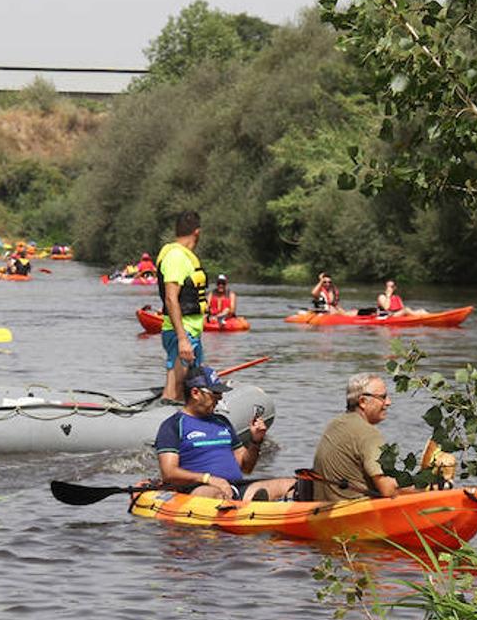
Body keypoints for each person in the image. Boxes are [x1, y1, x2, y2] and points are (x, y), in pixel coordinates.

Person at [154, 366, 294, 501]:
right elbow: (169, 473)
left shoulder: (222, 422)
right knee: (212, 494)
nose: (220, 398)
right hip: (199, 490)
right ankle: (246, 511)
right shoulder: (172, 426)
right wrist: (208, 479)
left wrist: (256, 441)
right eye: (215, 394)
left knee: (292, 484)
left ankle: (263, 508)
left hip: (235, 488)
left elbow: (246, 468)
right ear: (195, 393)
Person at [310, 373, 405, 501]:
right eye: (382, 397)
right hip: (354, 512)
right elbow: (388, 490)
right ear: (363, 402)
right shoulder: (369, 434)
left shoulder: (335, 423)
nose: (388, 402)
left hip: (323, 507)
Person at [157, 210, 208, 402]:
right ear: (197, 232)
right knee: (175, 391)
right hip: (181, 332)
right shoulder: (176, 257)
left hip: (190, 332)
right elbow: (171, 298)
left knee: (187, 388)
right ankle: (165, 428)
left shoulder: (183, 257)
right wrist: (182, 339)